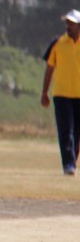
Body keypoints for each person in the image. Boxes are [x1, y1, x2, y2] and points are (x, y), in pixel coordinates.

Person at [40, 9, 80, 176]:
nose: (67, 26)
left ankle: (72, 161)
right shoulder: (57, 43)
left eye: (71, 24)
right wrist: (45, 92)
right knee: (66, 130)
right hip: (61, 94)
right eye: (67, 23)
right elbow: (49, 69)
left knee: (77, 132)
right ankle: (68, 164)